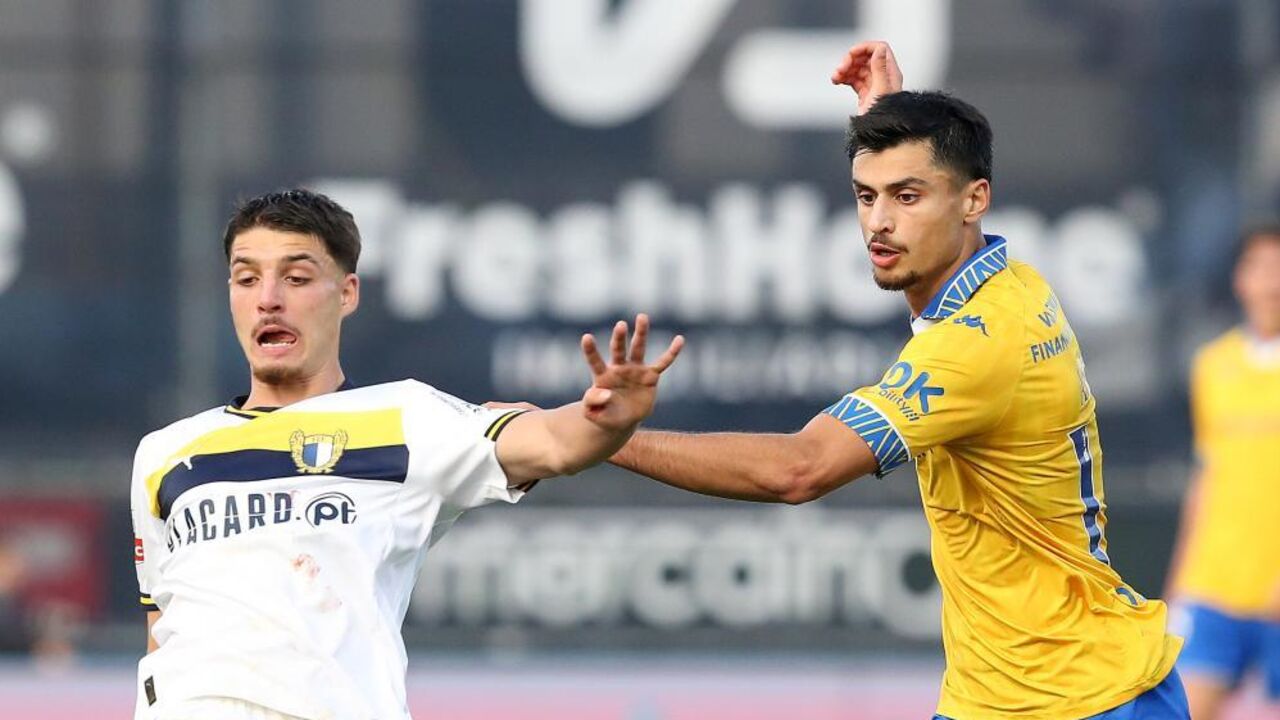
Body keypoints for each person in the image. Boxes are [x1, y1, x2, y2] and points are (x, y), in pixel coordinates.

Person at [606, 42, 1188, 719]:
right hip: (1003, 696)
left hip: (1083, 698)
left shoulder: (977, 346)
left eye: (906, 196)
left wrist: (606, 439)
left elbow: (800, 469)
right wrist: (889, 116)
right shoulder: (1009, 282)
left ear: (975, 200)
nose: (879, 222)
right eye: (866, 196)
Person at [129, 189, 683, 720]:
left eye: (296, 278)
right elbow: (164, 625)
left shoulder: (409, 418)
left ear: (346, 294)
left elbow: (557, 443)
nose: (268, 298)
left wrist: (611, 418)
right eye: (246, 278)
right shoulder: (165, 454)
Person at [1166, 225, 1280, 720]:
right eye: (1261, 268)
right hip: (1216, 590)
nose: (1272, 282)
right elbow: (1207, 477)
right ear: (1241, 280)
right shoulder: (1213, 367)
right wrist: (1180, 584)